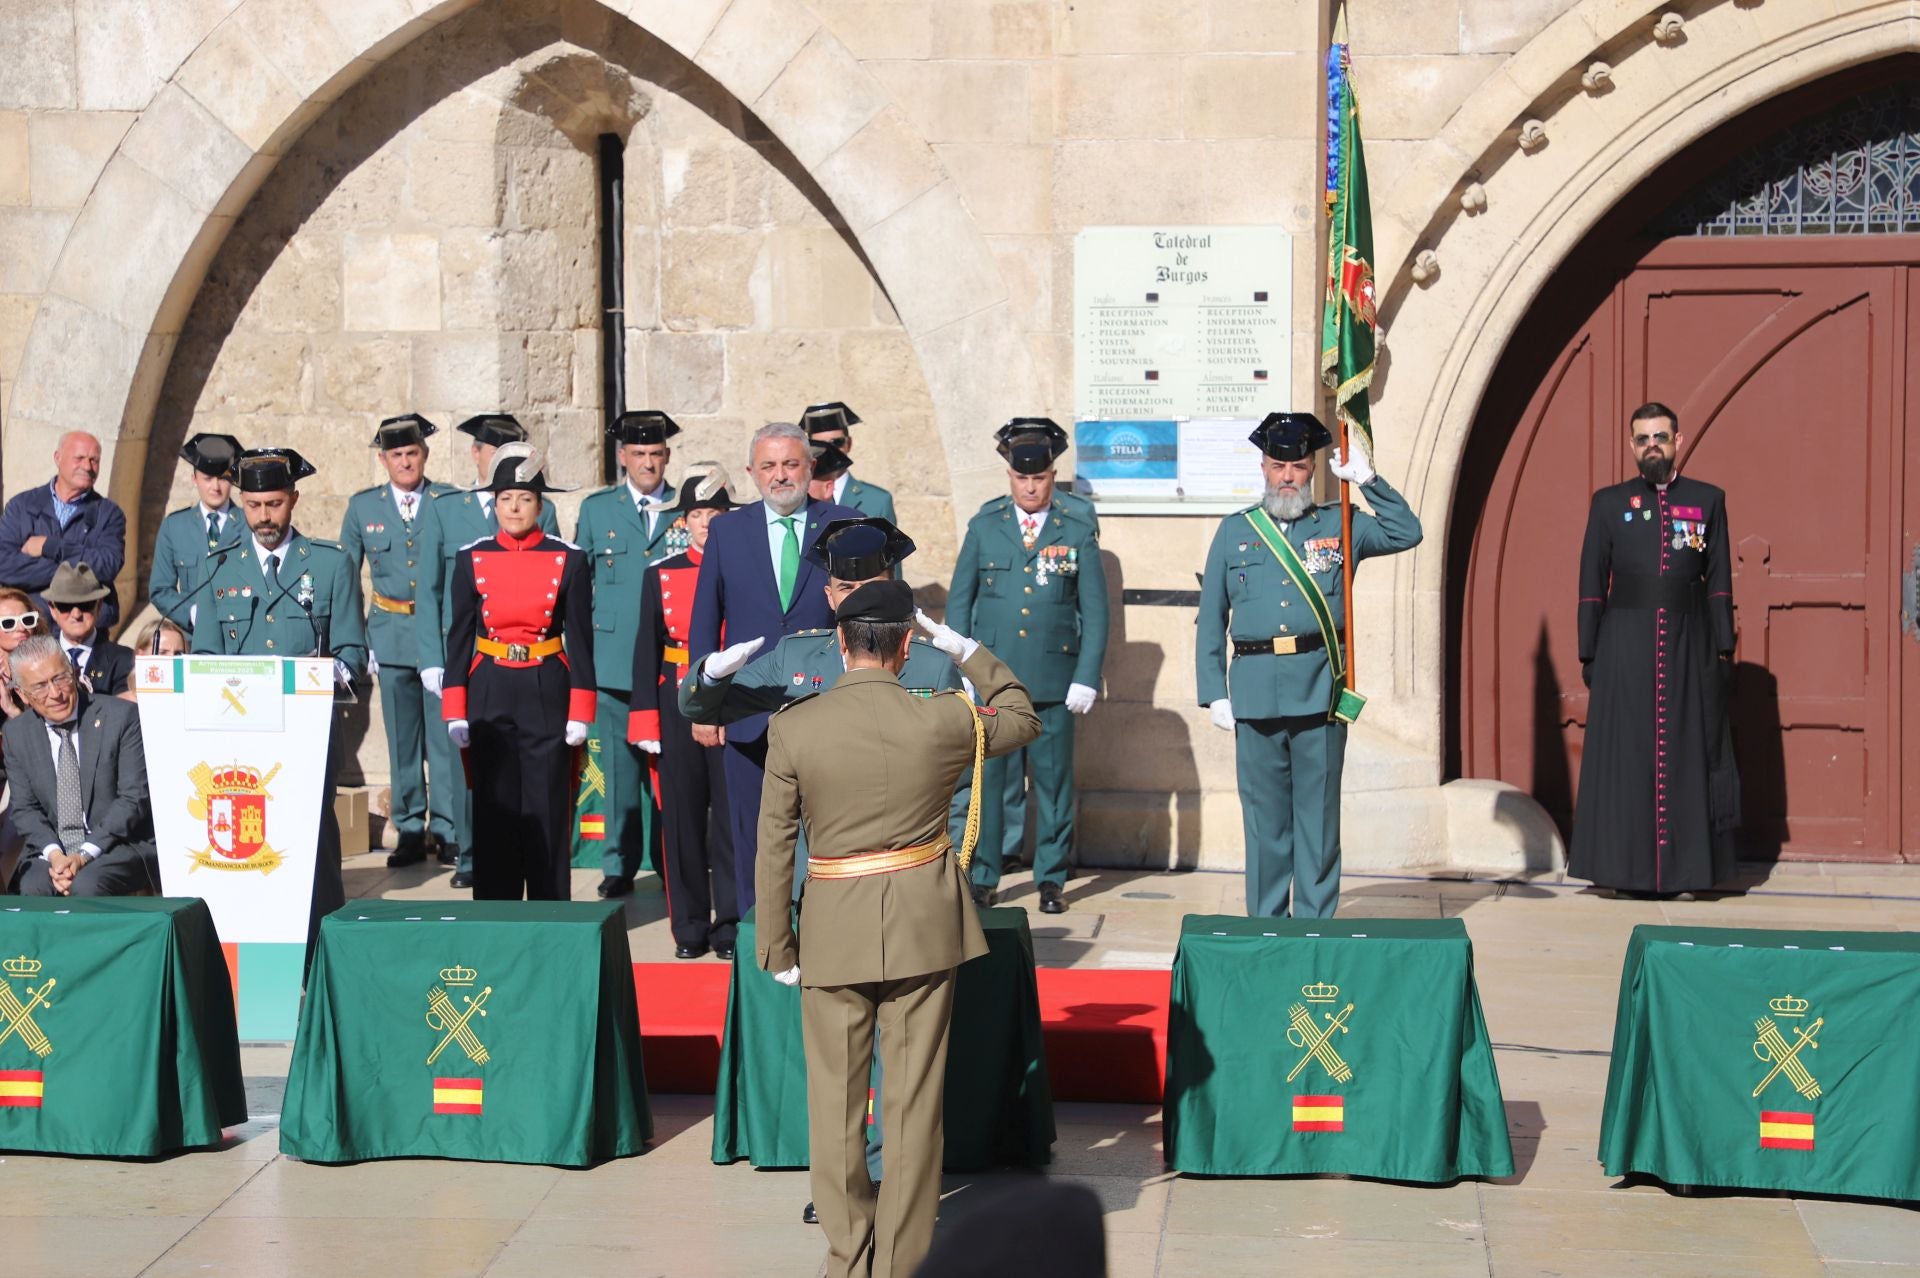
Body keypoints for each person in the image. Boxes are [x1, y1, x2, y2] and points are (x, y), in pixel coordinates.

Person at [683, 513, 966, 1224]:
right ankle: (843, 1186)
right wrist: (710, 670)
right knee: (840, 1052)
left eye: (864, 584)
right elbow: (708, 705)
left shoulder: (929, 665)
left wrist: (956, 863)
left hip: (907, 871)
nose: (847, 597)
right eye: (839, 586)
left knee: (901, 1055)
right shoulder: (800, 656)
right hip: (828, 873)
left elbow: (963, 777)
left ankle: (887, 1177)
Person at [757, 579, 1040, 1278]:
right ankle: (902, 1263)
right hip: (921, 926)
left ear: (841, 644)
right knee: (912, 1110)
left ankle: (847, 1256)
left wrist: (776, 943)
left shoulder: (796, 725)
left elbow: (773, 845)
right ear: (909, 646)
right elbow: (1023, 714)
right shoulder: (945, 716)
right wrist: (965, 648)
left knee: (835, 1107)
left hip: (832, 927)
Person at [1196, 412, 1423, 918]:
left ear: (1314, 469)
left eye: (1298, 466)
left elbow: (1408, 532)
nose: (1288, 477)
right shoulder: (1236, 533)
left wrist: (1368, 481)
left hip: (1319, 692)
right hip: (1253, 694)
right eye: (1278, 465)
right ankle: (1267, 926)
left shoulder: (1341, 524)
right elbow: (1210, 617)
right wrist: (1214, 691)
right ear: (1262, 467)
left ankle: (1314, 927)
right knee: (1265, 826)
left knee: (1318, 824)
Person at [190, 447, 367, 944]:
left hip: (306, 733)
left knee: (311, 842)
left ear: (293, 499)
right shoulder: (219, 568)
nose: (264, 517)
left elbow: (353, 651)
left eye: (274, 504)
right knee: (248, 845)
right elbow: (204, 657)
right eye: (253, 506)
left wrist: (326, 673)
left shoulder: (331, 566)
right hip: (239, 739)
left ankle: (319, 948)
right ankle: (251, 946)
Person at [686, 421, 858, 912]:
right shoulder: (726, 530)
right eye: (769, 466)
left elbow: (864, 614)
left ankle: (823, 929)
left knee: (824, 829)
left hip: (826, 709)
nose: (780, 476)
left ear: (809, 468)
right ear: (751, 473)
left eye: (790, 464)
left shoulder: (843, 523)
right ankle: (755, 935)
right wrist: (704, 705)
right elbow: (705, 623)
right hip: (747, 712)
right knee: (751, 832)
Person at [1573, 402, 1739, 898]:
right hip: (1624, 645)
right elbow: (1590, 583)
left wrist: (1724, 647)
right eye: (1642, 438)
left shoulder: (1708, 500)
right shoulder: (1609, 503)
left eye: (1660, 437)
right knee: (1630, 757)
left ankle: (1689, 872)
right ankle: (1626, 872)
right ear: (1631, 446)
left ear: (1677, 441)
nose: (1652, 446)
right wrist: (1589, 652)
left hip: (1690, 645)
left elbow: (1720, 582)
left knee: (1687, 753)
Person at [945, 417, 1109, 913]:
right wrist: (963, 670)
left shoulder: (1075, 531)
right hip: (994, 682)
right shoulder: (985, 526)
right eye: (1022, 478)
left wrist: (1085, 676)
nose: (1031, 486)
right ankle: (987, 873)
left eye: (1039, 478)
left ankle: (1052, 877)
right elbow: (959, 605)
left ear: (1052, 477)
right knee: (991, 783)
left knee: (1054, 785)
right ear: (1011, 478)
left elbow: (1097, 613)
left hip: (1054, 682)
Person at [441, 443, 595, 901]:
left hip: (546, 684)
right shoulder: (472, 558)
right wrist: (455, 708)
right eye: (506, 498)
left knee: (548, 805)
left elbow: (582, 640)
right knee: (494, 806)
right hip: (489, 684)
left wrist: (580, 710)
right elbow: (459, 638)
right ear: (495, 503)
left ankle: (550, 909)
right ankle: (496, 912)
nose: (514, 507)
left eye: (525, 499)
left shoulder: (569, 558)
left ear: (540, 505)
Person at [416, 413, 559, 888]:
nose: (514, 505)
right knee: (474, 771)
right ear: (475, 453)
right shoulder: (444, 508)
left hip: (531, 665)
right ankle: (468, 855)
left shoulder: (539, 507)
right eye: (486, 449)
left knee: (534, 783)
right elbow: (431, 589)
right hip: (473, 657)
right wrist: (433, 658)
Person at [341, 414, 459, 871]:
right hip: (388, 632)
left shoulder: (447, 501)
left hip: (438, 636)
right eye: (396, 455)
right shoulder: (363, 508)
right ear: (383, 460)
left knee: (443, 738)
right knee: (402, 741)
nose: (405, 462)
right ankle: (410, 827)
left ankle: (447, 829)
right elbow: (346, 579)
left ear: (424, 456)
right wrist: (358, 639)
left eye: (412, 454)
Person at [629, 463, 737, 958]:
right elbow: (645, 652)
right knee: (683, 821)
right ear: (683, 521)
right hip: (677, 704)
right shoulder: (661, 574)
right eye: (697, 513)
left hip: (733, 702)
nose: (706, 522)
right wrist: (646, 720)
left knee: (732, 819)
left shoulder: (744, 569)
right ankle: (689, 927)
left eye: (715, 512)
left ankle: (732, 922)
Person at [573, 410, 682, 898]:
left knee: (673, 770)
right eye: (638, 454)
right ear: (622, 457)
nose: (648, 463)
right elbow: (582, 586)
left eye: (656, 454)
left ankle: (669, 859)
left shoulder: (686, 507)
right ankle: (618, 862)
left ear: (667, 457)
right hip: (614, 659)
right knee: (618, 770)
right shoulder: (599, 510)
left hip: (669, 661)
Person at [3, 634, 158, 896]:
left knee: (87, 885)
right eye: (40, 686)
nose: (55, 694)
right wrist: (55, 857)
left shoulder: (121, 717)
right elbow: (25, 809)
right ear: (22, 694)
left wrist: (84, 855)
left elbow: (133, 799)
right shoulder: (17, 733)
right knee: (32, 887)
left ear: (74, 673)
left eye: (60, 678)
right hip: (53, 850)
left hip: (115, 845)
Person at [0, 431, 127, 633]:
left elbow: (107, 565)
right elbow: (4, 565)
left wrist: (50, 547)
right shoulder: (22, 506)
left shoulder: (108, 513)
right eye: (79, 458)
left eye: (94, 460)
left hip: (87, 632)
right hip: (31, 629)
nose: (87, 466)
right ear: (58, 458)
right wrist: (75, 573)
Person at [148, 432, 244, 630]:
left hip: (239, 637)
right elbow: (160, 589)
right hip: (193, 638)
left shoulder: (248, 525)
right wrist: (192, 613)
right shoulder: (175, 527)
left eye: (223, 479)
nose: (215, 487)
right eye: (208, 478)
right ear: (194, 479)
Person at [43, 562, 132, 696]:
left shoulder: (124, 660)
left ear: (99, 605)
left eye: (85, 605)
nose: (76, 614)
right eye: (65, 606)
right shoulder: (38, 659)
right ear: (52, 609)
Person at [800, 402, 895, 520]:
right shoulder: (800, 496)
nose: (831, 450)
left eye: (837, 442)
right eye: (821, 445)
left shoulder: (878, 500)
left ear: (848, 443)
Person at [0, 588, 45, 721]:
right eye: (9, 623)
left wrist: (14, 713)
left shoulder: (49, 670)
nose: (21, 628)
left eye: (27, 619)